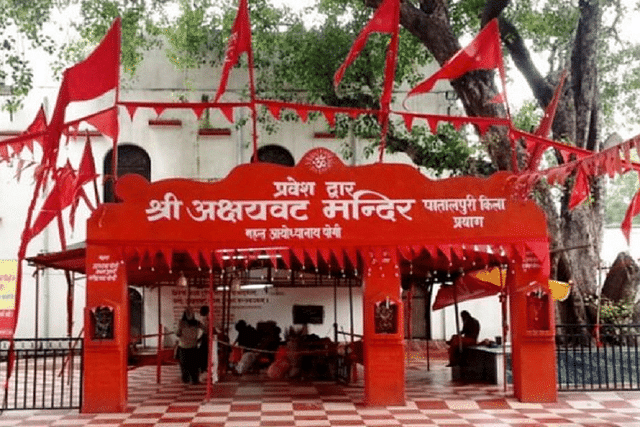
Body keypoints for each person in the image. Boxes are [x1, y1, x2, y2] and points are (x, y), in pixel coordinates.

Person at [176, 308, 203, 384]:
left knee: (184, 364)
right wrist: (199, 339)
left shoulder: (181, 323)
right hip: (193, 346)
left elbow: (178, 333)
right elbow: (205, 330)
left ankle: (186, 379)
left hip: (183, 346)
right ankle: (194, 379)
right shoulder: (197, 323)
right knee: (194, 365)